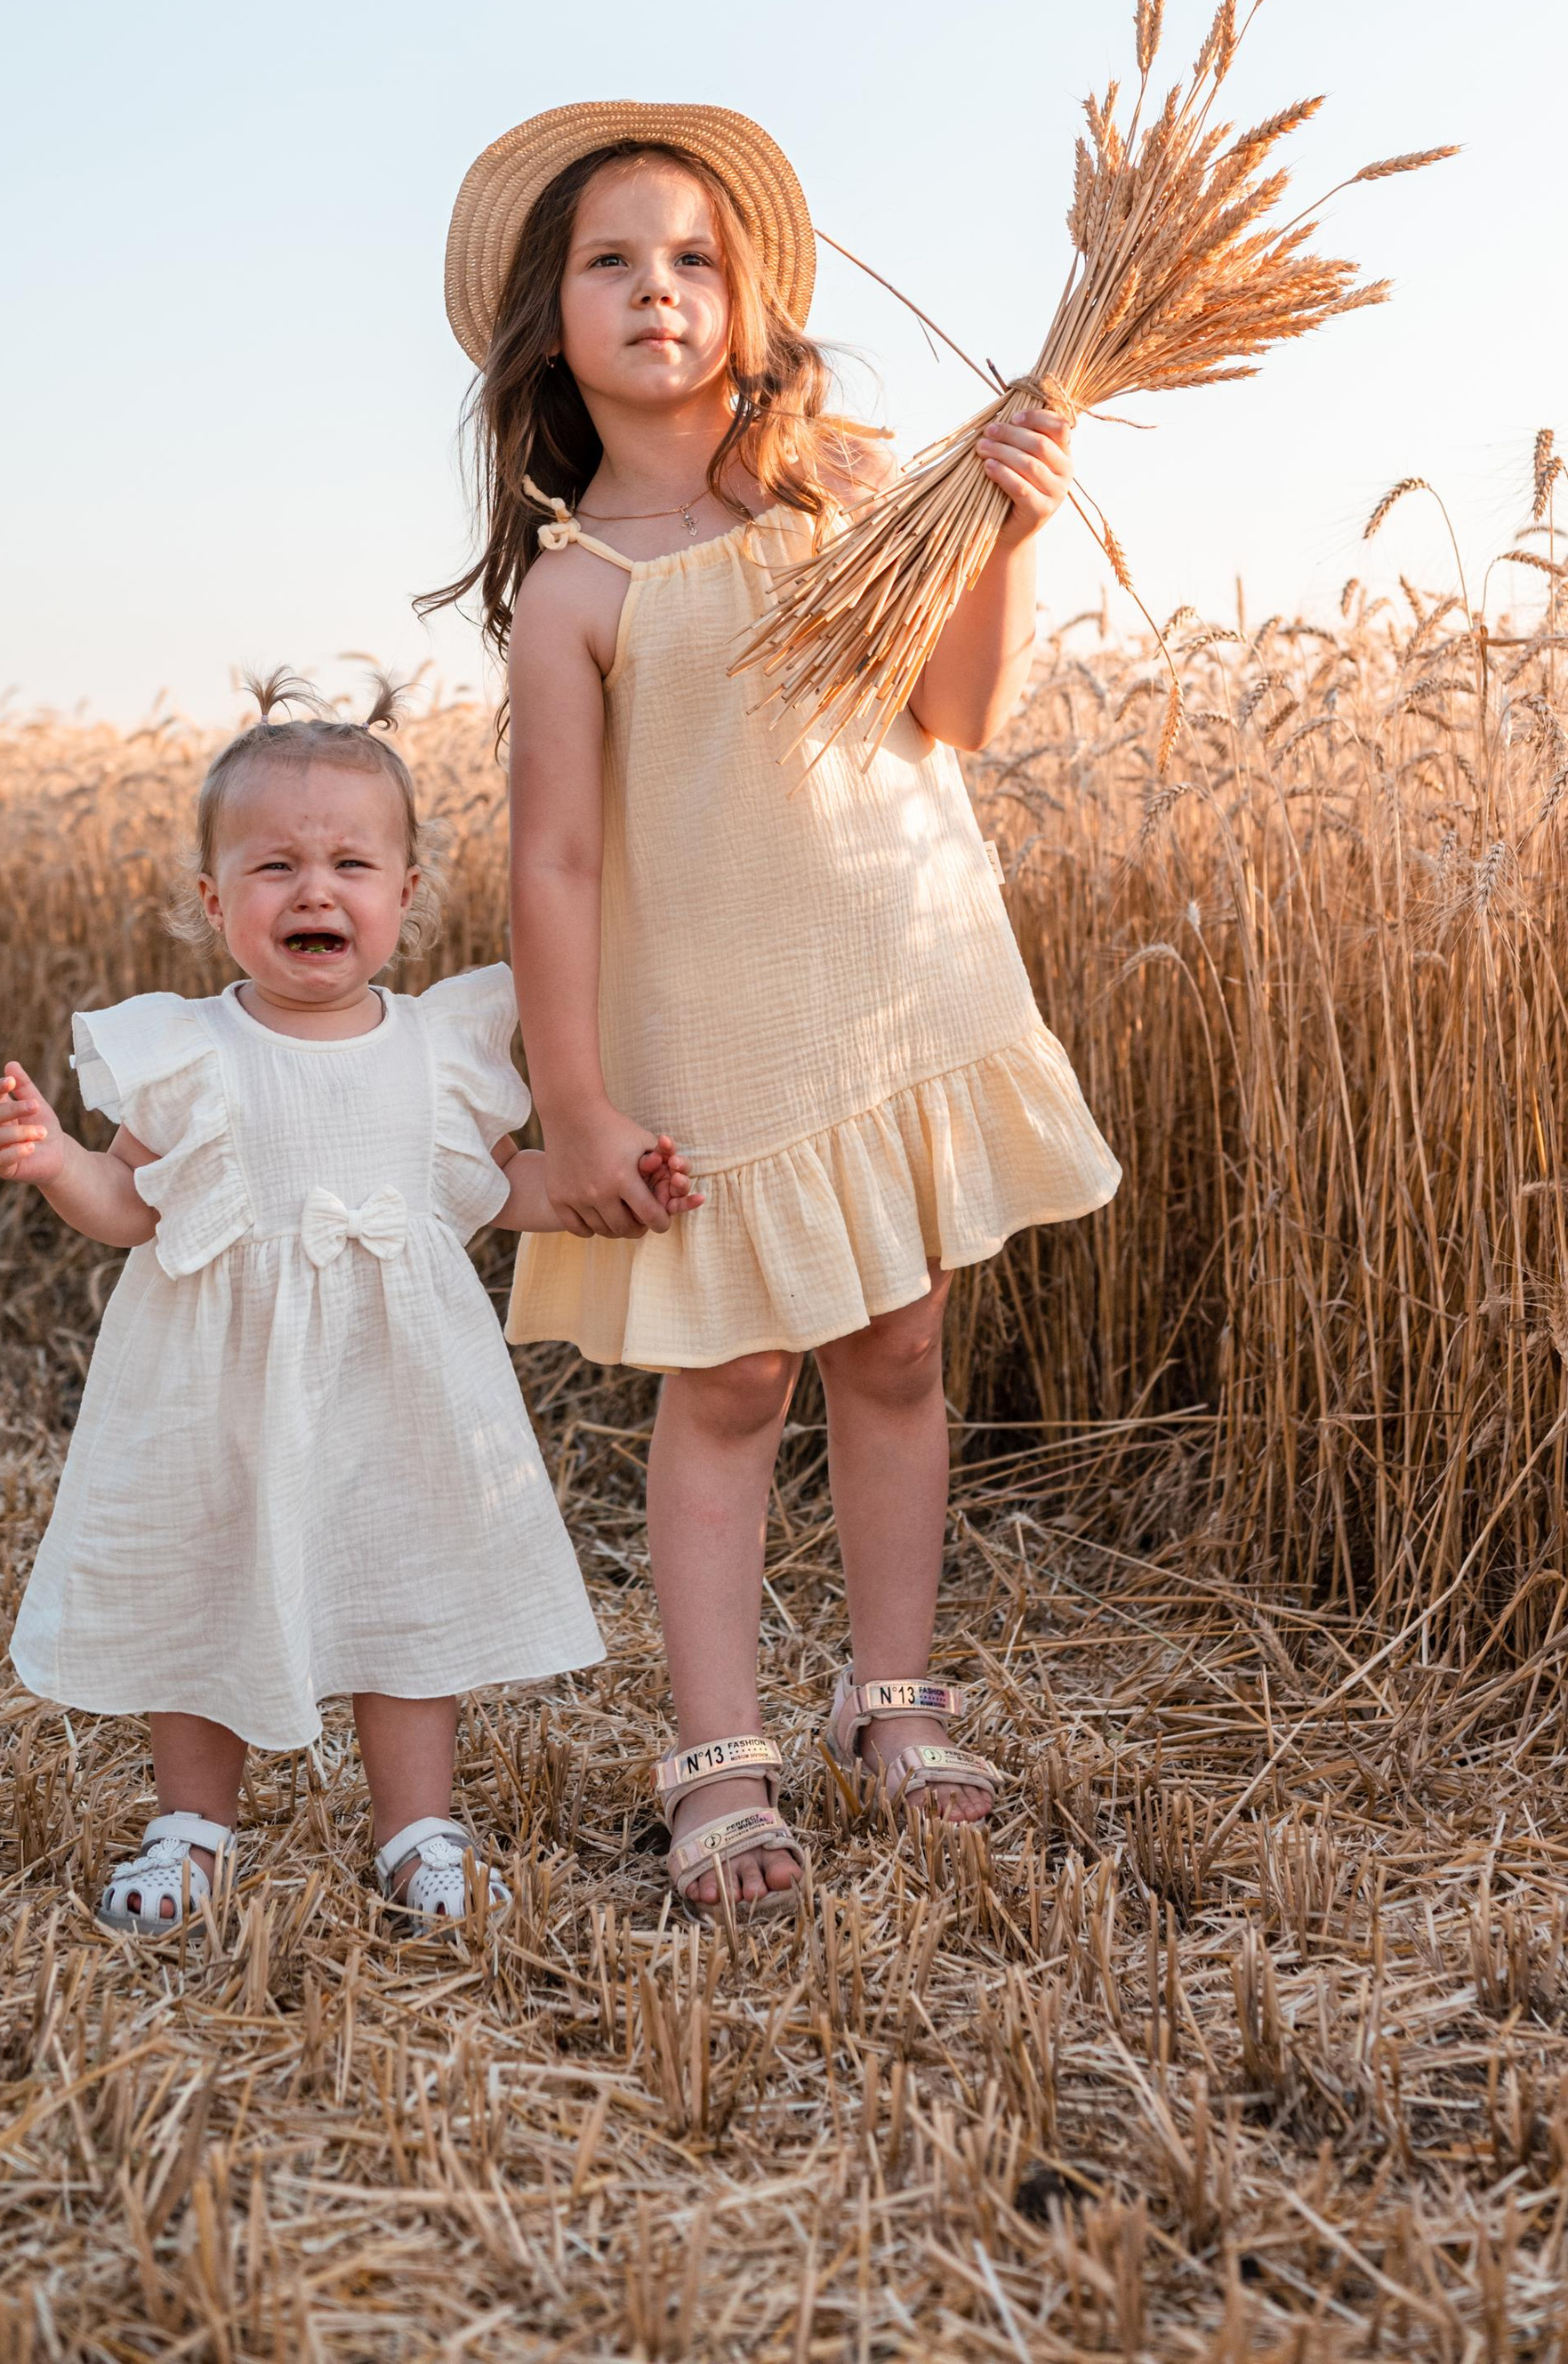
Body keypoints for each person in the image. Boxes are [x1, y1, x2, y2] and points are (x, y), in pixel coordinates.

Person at [427, 101, 1121, 1914]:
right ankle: (719, 1758)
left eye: (693, 257)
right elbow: (559, 868)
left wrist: (1008, 532)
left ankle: (889, 1704)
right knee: (730, 1379)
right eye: (610, 261)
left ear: (746, 302)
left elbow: (955, 713)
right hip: (708, 1031)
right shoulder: (578, 592)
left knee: (895, 1348)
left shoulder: (846, 496)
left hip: (894, 987)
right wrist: (571, 1108)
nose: (658, 288)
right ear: (547, 323)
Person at [0, 675, 692, 1933]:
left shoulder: (440, 1050)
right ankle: (193, 1823)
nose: (316, 889)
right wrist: (58, 1164)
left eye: (352, 861)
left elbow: (500, 1189)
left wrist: (607, 1181)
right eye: (273, 866)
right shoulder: (193, 1051)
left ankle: (417, 1828)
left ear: (405, 897)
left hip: (397, 1387)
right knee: (211, 1583)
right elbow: (135, 1201)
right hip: (222, 1392)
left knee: (403, 1592)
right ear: (215, 902)